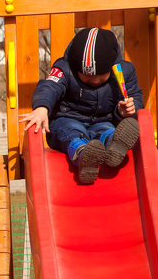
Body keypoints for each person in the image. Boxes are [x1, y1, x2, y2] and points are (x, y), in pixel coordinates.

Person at [21, 27, 142, 184]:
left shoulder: (123, 72)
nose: (94, 81)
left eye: (99, 78)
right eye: (86, 77)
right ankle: (84, 155)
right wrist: (42, 107)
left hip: (104, 120)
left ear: (111, 67)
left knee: (107, 129)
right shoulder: (64, 68)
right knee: (69, 130)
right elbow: (50, 86)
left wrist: (124, 111)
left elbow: (135, 97)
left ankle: (115, 145)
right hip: (67, 118)